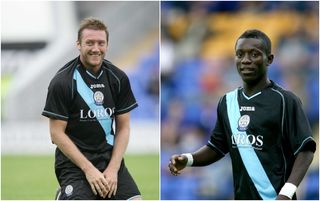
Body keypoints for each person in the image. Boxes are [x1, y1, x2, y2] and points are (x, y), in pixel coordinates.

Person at [168, 29, 316, 200]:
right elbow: (217, 147)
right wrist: (187, 159)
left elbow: (305, 151)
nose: (246, 60)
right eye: (240, 54)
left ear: (269, 59)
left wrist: (286, 193)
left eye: (254, 54)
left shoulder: (286, 101)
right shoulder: (227, 102)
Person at [42, 17, 141, 200]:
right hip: (74, 165)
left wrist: (113, 168)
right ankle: (64, 194)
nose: (96, 48)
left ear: (107, 45)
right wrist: (89, 170)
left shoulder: (118, 78)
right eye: (89, 43)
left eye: (101, 43)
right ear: (78, 44)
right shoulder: (62, 82)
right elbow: (56, 134)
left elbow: (124, 127)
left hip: (109, 161)